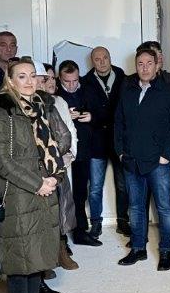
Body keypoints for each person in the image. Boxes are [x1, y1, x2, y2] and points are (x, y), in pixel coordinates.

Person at [0, 57, 69, 293]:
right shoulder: (1, 111)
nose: (30, 81)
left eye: (33, 75)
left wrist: (54, 178)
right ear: (10, 80)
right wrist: (37, 183)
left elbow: (50, 148)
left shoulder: (38, 106)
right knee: (21, 262)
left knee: (37, 259)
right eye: (22, 76)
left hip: (44, 191)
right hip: (19, 195)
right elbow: (0, 160)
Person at [114, 45, 170, 270]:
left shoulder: (169, 93)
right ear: (136, 66)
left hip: (158, 162)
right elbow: (118, 123)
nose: (144, 68)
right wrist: (120, 151)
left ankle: (165, 250)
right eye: (140, 64)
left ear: (157, 65)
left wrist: (167, 155)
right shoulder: (128, 91)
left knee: (165, 208)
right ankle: (138, 248)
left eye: (149, 63)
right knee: (136, 207)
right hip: (131, 160)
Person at [82, 46, 130, 237]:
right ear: (92, 61)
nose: (102, 62)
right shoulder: (85, 82)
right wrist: (96, 117)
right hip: (97, 142)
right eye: (97, 59)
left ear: (110, 58)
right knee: (95, 187)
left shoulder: (123, 77)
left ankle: (123, 222)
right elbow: (85, 111)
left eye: (105, 58)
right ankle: (96, 223)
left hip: (119, 141)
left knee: (123, 185)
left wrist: (96, 116)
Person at [37, 62, 80, 272]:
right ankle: (45, 259)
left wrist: (70, 153)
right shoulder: (29, 104)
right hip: (40, 167)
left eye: (53, 78)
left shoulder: (60, 101)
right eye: (45, 79)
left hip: (62, 162)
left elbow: (69, 130)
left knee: (63, 207)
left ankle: (62, 249)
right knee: (44, 210)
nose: (50, 82)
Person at [58, 59, 99, 246]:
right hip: (61, 153)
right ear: (60, 79)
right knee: (61, 194)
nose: (72, 85)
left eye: (75, 80)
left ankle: (80, 232)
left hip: (83, 151)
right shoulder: (54, 94)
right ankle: (61, 238)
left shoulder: (88, 90)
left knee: (80, 193)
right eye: (67, 81)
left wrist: (90, 116)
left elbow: (104, 112)